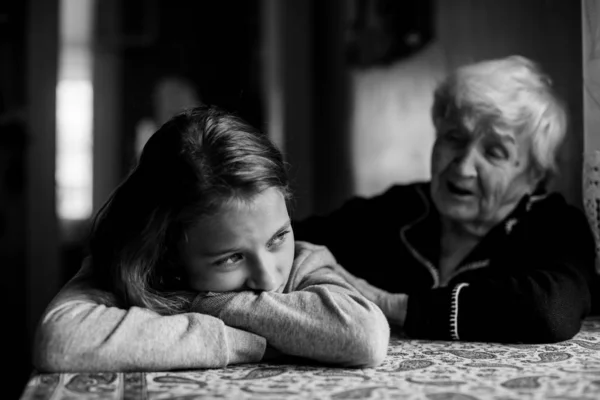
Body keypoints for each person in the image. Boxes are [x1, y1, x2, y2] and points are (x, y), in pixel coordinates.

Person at [33, 106, 389, 372]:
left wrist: (214, 304)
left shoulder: (302, 264)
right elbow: (61, 343)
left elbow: (365, 336)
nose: (268, 278)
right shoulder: (126, 269)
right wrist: (251, 341)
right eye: (231, 258)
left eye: (278, 237)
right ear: (170, 252)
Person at [293, 55, 599, 344]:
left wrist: (389, 303)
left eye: (494, 152)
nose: (464, 167)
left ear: (534, 175)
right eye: (455, 138)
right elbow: (289, 239)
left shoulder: (553, 225)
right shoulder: (403, 207)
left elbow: (551, 311)